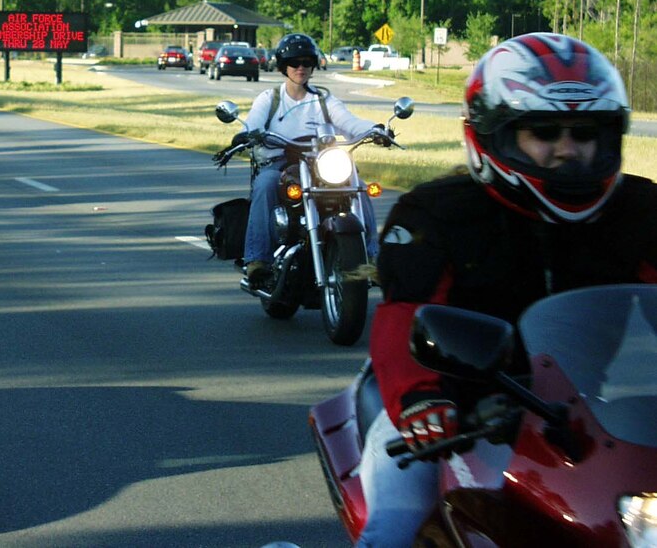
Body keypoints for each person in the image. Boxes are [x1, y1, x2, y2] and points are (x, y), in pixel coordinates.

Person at [356, 32, 657, 547]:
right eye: (544, 132)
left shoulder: (640, 211)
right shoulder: (437, 213)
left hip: (589, 419)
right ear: (491, 135)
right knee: (398, 523)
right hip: (454, 416)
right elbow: (404, 316)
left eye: (586, 133)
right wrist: (423, 401)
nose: (568, 149)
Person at [238, 33, 385, 288]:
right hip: (281, 163)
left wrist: (376, 129)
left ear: (313, 65)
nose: (301, 68)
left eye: (306, 62)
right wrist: (248, 133)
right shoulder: (270, 99)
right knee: (265, 184)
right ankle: (257, 259)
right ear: (283, 66)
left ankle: (370, 256)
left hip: (321, 165)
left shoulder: (323, 100)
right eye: (294, 62)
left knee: (358, 186)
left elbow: (349, 122)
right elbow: (254, 122)